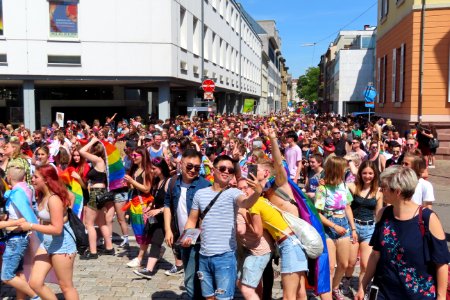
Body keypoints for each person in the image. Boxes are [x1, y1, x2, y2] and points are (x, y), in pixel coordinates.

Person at [355, 166, 449, 300]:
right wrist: (362, 286)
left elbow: (441, 262)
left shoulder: (428, 219)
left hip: (418, 295)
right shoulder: (384, 214)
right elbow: (375, 254)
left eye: (384, 188)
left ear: (397, 192)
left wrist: (441, 297)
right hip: (384, 293)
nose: (381, 191)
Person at [182, 155, 264, 300]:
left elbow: (245, 203)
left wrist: (257, 192)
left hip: (225, 257)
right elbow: (192, 220)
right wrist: (187, 235)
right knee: (208, 297)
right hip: (204, 256)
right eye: (222, 168)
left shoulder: (234, 193)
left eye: (230, 170)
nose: (226, 171)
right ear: (213, 170)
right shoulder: (200, 194)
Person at [19, 164, 79, 300]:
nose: (32, 179)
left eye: (35, 177)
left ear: (46, 179)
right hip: (46, 243)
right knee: (35, 282)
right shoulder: (41, 195)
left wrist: (31, 226)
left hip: (63, 245)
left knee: (65, 286)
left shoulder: (53, 199)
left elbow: (57, 229)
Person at [164, 149, 211, 299]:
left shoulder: (205, 185)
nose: (192, 170)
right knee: (191, 275)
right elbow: (167, 206)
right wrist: (168, 230)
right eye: (189, 166)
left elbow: (209, 216)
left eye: (197, 168)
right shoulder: (172, 183)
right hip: (181, 237)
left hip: (200, 239)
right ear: (181, 163)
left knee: (192, 279)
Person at [315, 156, 357, 300]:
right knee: (330, 266)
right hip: (329, 226)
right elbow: (318, 215)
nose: (346, 172)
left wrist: (353, 229)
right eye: (343, 169)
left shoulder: (344, 186)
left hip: (343, 224)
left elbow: (348, 207)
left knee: (344, 264)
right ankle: (326, 293)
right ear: (336, 170)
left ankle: (334, 287)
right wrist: (334, 226)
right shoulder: (322, 189)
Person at [342, 161, 383, 296]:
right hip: (353, 226)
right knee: (350, 263)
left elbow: (378, 214)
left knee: (365, 265)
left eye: (370, 173)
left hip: (369, 229)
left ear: (375, 174)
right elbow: (337, 187)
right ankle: (346, 282)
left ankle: (361, 290)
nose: (367, 176)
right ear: (360, 173)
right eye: (364, 173)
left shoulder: (378, 192)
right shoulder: (352, 187)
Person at [1, 164, 40, 300]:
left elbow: (22, 217)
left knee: (6, 276)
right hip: (19, 237)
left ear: (9, 177)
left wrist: (12, 222)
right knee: (18, 273)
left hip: (15, 239)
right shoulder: (25, 189)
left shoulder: (15, 195)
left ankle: (35, 297)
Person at [236, 178, 274, 300]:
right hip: (253, 248)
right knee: (252, 283)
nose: (242, 191)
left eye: (245, 187)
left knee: (246, 286)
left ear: (253, 188)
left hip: (259, 250)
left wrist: (242, 215)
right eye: (239, 188)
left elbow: (251, 232)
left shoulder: (252, 205)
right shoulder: (257, 201)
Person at [133, 157, 171, 279]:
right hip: (158, 218)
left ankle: (180, 265)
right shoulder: (157, 182)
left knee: (175, 245)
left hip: (169, 218)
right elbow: (155, 199)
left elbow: (172, 204)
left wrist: (158, 210)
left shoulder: (169, 182)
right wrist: (149, 208)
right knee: (155, 242)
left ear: (161, 168)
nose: (152, 171)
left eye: (154, 168)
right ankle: (149, 270)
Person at [79, 137, 115, 259]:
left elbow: (82, 151)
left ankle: (93, 251)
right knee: (101, 222)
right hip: (101, 192)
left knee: (89, 223)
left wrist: (92, 141)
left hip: (95, 192)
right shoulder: (101, 162)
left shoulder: (98, 160)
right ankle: (109, 247)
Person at [124, 146, 153, 268]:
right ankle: (144, 253)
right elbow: (134, 187)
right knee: (137, 231)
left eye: (136, 155)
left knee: (144, 231)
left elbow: (147, 188)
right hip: (134, 204)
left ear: (143, 156)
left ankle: (140, 258)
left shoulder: (147, 171)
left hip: (144, 204)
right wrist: (128, 183)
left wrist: (132, 181)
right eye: (132, 155)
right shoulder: (135, 170)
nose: (133, 157)